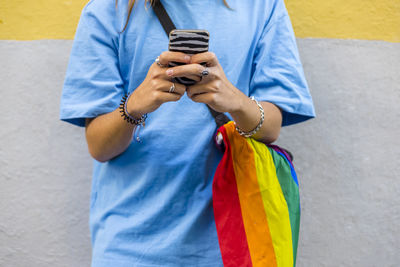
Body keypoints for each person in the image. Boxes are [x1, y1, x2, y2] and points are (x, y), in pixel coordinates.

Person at [59, 0, 315, 266]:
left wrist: (234, 101)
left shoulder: (262, 6)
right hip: (131, 246)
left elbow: (271, 127)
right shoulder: (107, 10)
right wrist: (134, 106)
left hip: (235, 243)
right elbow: (99, 146)